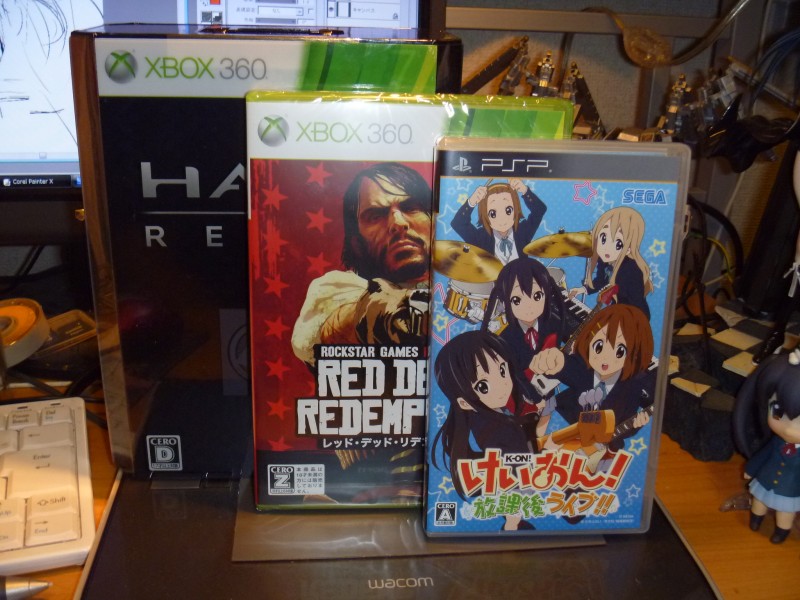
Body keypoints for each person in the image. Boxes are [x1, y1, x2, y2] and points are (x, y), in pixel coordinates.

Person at [292, 162, 432, 365]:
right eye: (376, 216)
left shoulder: (463, 278)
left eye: (410, 208)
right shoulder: (335, 291)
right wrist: (397, 314)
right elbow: (336, 325)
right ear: (356, 242)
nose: (398, 223)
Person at [431, 330, 541, 529]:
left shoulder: (486, 416)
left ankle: (513, 523)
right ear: (464, 402)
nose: (502, 385)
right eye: (483, 385)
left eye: (502, 370)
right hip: (515, 483)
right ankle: (512, 526)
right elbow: (522, 463)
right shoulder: (497, 429)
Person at [530, 304, 655, 459]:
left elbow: (622, 425)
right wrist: (556, 360)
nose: (605, 358)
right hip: (562, 423)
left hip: (591, 445)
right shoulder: (584, 368)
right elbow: (568, 367)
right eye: (599, 346)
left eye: (620, 351)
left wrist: (636, 425)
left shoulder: (631, 388)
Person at [733, 349, 800, 543]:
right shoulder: (776, 442)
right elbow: (764, 454)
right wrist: (750, 469)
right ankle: (756, 520)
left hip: (790, 489)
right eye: (777, 411)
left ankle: (781, 532)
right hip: (765, 480)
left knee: (785, 513)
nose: (789, 429)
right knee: (758, 502)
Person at [569, 206, 653, 319]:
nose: (607, 248)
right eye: (603, 238)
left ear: (629, 248)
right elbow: (601, 280)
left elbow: (635, 302)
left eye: (618, 243)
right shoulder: (605, 260)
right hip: (616, 309)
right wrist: (582, 290)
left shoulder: (633, 269)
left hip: (634, 316)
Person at [451, 178, 546, 265]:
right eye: (493, 213)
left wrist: (525, 191)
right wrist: (471, 202)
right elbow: (458, 224)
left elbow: (540, 210)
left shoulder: (523, 231)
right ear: (485, 214)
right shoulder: (481, 238)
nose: (502, 218)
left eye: (508, 210)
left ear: (516, 209)